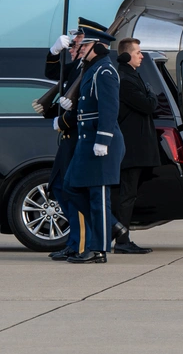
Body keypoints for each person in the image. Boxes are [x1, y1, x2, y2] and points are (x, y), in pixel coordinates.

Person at [63, 25, 127, 263]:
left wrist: (103, 140)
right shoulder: (91, 68)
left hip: (100, 143)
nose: (83, 48)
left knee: (98, 198)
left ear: (98, 47)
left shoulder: (105, 71)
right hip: (85, 141)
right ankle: (111, 227)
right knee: (70, 187)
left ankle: (98, 250)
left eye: (87, 45)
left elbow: (109, 109)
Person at [42, 24, 87, 261]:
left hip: (78, 138)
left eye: (75, 42)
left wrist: (65, 120)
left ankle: (79, 244)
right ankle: (74, 241)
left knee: (72, 190)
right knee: (59, 187)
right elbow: (52, 75)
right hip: (68, 140)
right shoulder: (77, 68)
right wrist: (53, 52)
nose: (70, 47)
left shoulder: (90, 69)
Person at [111, 38, 159, 253]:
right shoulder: (126, 79)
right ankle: (122, 240)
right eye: (138, 52)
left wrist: (149, 93)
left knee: (127, 194)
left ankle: (121, 236)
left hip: (134, 148)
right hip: (131, 149)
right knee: (126, 195)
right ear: (126, 55)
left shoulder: (131, 76)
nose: (141, 56)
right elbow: (149, 104)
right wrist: (150, 93)